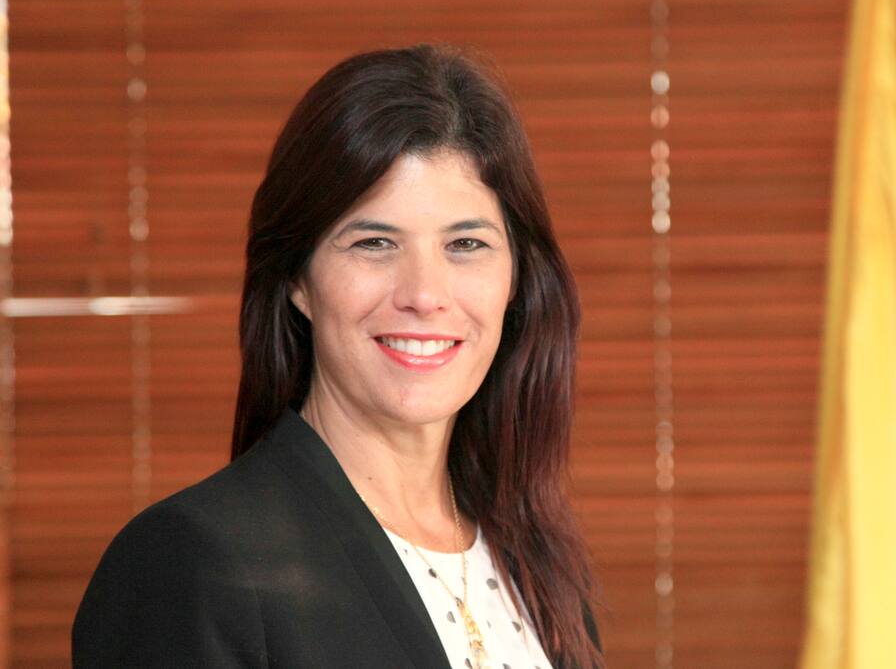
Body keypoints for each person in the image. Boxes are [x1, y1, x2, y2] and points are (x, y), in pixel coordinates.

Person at [72, 44, 602, 669]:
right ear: (298, 279)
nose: (424, 295)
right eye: (374, 242)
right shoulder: (190, 564)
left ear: (516, 280)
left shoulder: (531, 558)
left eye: (465, 244)